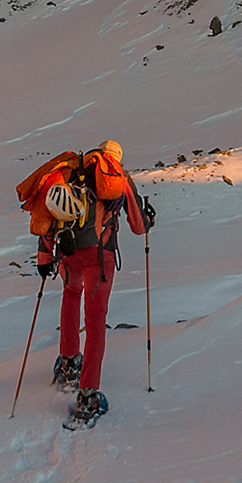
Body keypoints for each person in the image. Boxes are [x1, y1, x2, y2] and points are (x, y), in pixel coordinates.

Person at [38, 140, 153, 427]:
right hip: (100, 257)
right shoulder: (117, 177)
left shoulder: (71, 173)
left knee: (70, 295)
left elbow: (49, 213)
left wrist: (44, 255)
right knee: (95, 318)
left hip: (68, 254)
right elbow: (138, 226)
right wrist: (148, 220)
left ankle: (67, 365)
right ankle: (88, 395)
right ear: (115, 159)